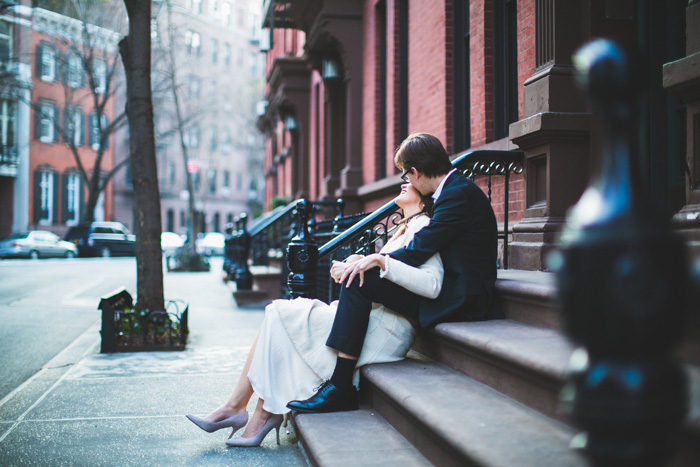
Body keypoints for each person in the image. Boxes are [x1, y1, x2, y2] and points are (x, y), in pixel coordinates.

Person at [186, 181, 443, 447]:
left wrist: (379, 262)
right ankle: (242, 409)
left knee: (282, 315)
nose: (403, 182)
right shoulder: (404, 227)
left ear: (424, 197)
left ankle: (253, 413)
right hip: (366, 317)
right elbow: (385, 277)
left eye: (410, 180)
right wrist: (354, 264)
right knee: (277, 313)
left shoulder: (423, 227)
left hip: (385, 327)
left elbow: (430, 283)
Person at [287, 132, 498, 414]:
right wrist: (368, 261)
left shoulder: (457, 195)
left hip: (463, 297)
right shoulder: (451, 191)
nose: (406, 181)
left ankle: (340, 386)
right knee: (360, 276)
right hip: (451, 286)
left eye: (405, 175)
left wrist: (376, 260)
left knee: (360, 280)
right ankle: (338, 384)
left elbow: (419, 250)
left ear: (416, 171)